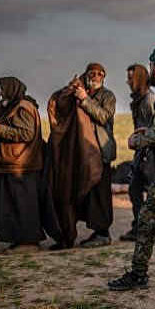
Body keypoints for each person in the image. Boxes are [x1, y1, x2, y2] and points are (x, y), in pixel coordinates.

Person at [108, 45, 155, 291]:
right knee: (149, 222)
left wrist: (136, 140)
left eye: (152, 66)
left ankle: (139, 274)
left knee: (151, 221)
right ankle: (138, 273)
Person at [0, 77, 59, 253]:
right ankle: (20, 240)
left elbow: (27, 134)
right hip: (11, 163)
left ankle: (29, 242)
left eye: (3, 90)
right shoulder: (10, 106)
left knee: (23, 205)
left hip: (23, 165)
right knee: (13, 204)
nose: (0, 93)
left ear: (12, 89)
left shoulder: (24, 107)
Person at [48, 63, 116, 249]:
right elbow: (60, 107)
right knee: (81, 191)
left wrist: (85, 100)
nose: (95, 76)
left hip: (101, 151)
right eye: (92, 73)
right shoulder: (79, 93)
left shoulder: (107, 96)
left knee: (100, 194)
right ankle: (71, 232)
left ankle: (102, 233)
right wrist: (70, 91)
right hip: (81, 154)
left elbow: (103, 117)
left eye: (100, 74)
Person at [120, 64, 155, 242]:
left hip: (151, 154)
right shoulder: (138, 100)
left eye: (131, 78)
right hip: (141, 152)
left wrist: (141, 134)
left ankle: (150, 230)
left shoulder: (149, 99)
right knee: (135, 190)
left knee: (151, 193)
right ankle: (140, 227)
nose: (128, 81)